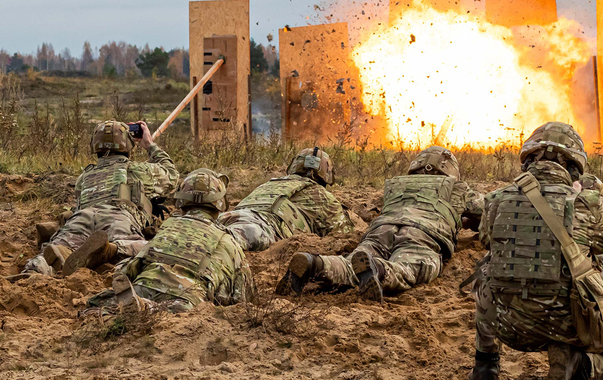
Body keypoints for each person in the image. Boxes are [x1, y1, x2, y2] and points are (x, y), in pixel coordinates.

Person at [470, 122, 603, 380]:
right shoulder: (586, 203)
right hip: (568, 324)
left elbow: (486, 239)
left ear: (528, 161)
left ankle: (486, 363)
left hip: (509, 326)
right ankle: (578, 363)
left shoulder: (496, 199)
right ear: (574, 166)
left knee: (485, 271)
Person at [276, 146, 484, 300]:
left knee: (352, 262)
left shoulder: (396, 184)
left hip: (382, 227)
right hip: (423, 234)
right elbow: (490, 212)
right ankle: (378, 269)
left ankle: (316, 264)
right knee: (409, 269)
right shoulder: (458, 188)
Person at [22, 120, 178, 277]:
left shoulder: (84, 177)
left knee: (60, 246)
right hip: (119, 217)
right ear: (128, 144)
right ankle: (111, 251)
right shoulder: (137, 170)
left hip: (82, 217)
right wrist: (149, 144)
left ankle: (42, 264)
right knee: (146, 250)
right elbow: (172, 176)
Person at [88, 168, 253, 312]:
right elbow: (242, 296)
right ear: (220, 203)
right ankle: (146, 308)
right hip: (187, 299)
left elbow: (133, 267)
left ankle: (141, 305)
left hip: (144, 285)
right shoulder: (229, 242)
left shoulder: (168, 227)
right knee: (179, 309)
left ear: (181, 201)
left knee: (98, 304)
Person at [217, 147, 354, 251]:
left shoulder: (271, 183)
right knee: (229, 242)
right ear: (326, 174)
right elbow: (344, 236)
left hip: (230, 216)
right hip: (262, 227)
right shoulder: (324, 197)